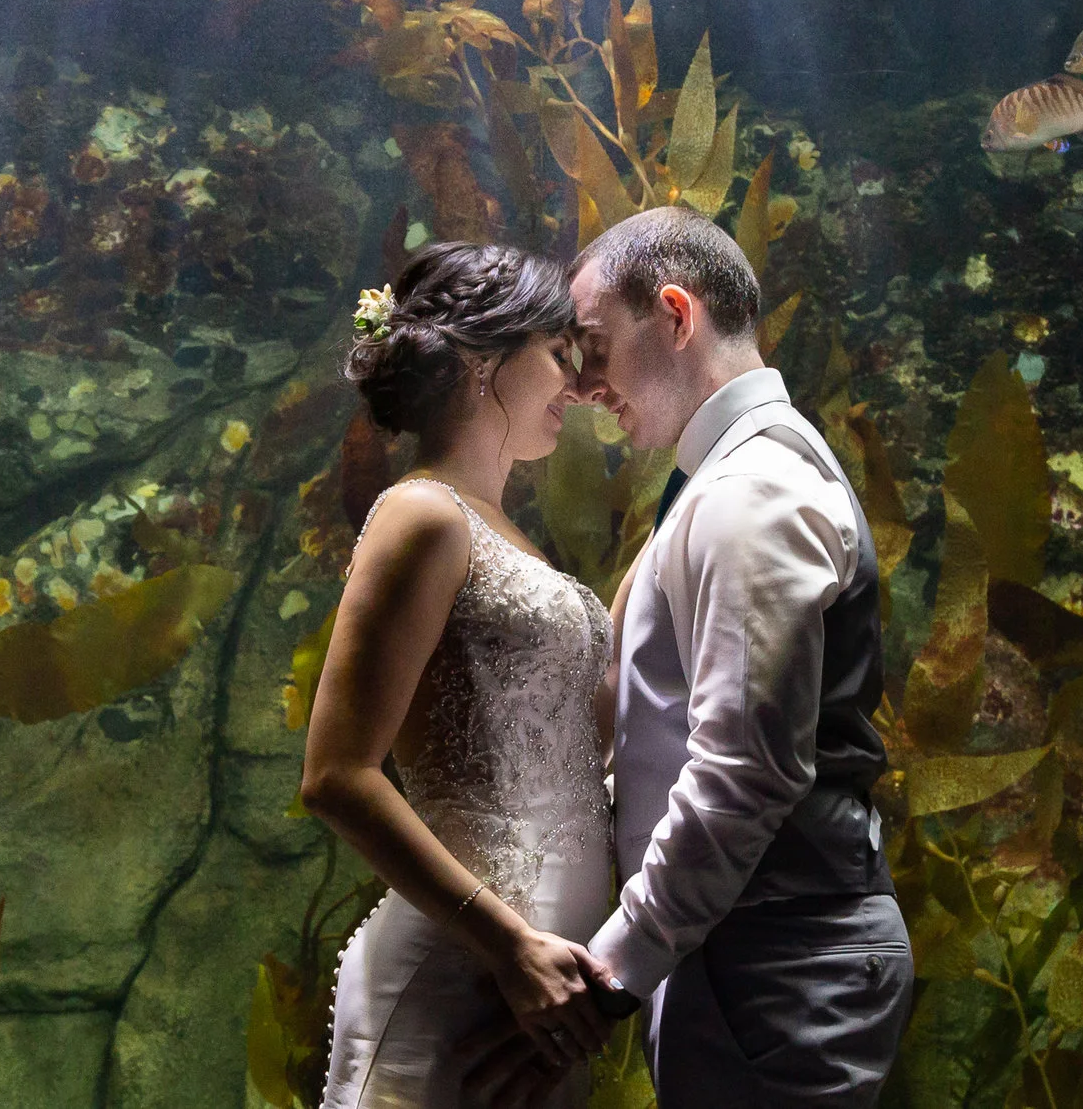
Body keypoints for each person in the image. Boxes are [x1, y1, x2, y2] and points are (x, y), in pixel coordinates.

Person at [486, 206, 912, 1106]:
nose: (585, 382)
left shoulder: (749, 493)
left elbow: (746, 772)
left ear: (677, 316)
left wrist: (613, 972)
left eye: (593, 344)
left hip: (774, 962)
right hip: (750, 954)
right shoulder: (729, 479)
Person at [304, 240, 622, 1109]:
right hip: (467, 970)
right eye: (559, 354)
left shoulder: (504, 532)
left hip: (545, 996)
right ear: (484, 359)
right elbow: (335, 775)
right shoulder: (421, 513)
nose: (577, 383)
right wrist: (512, 945)